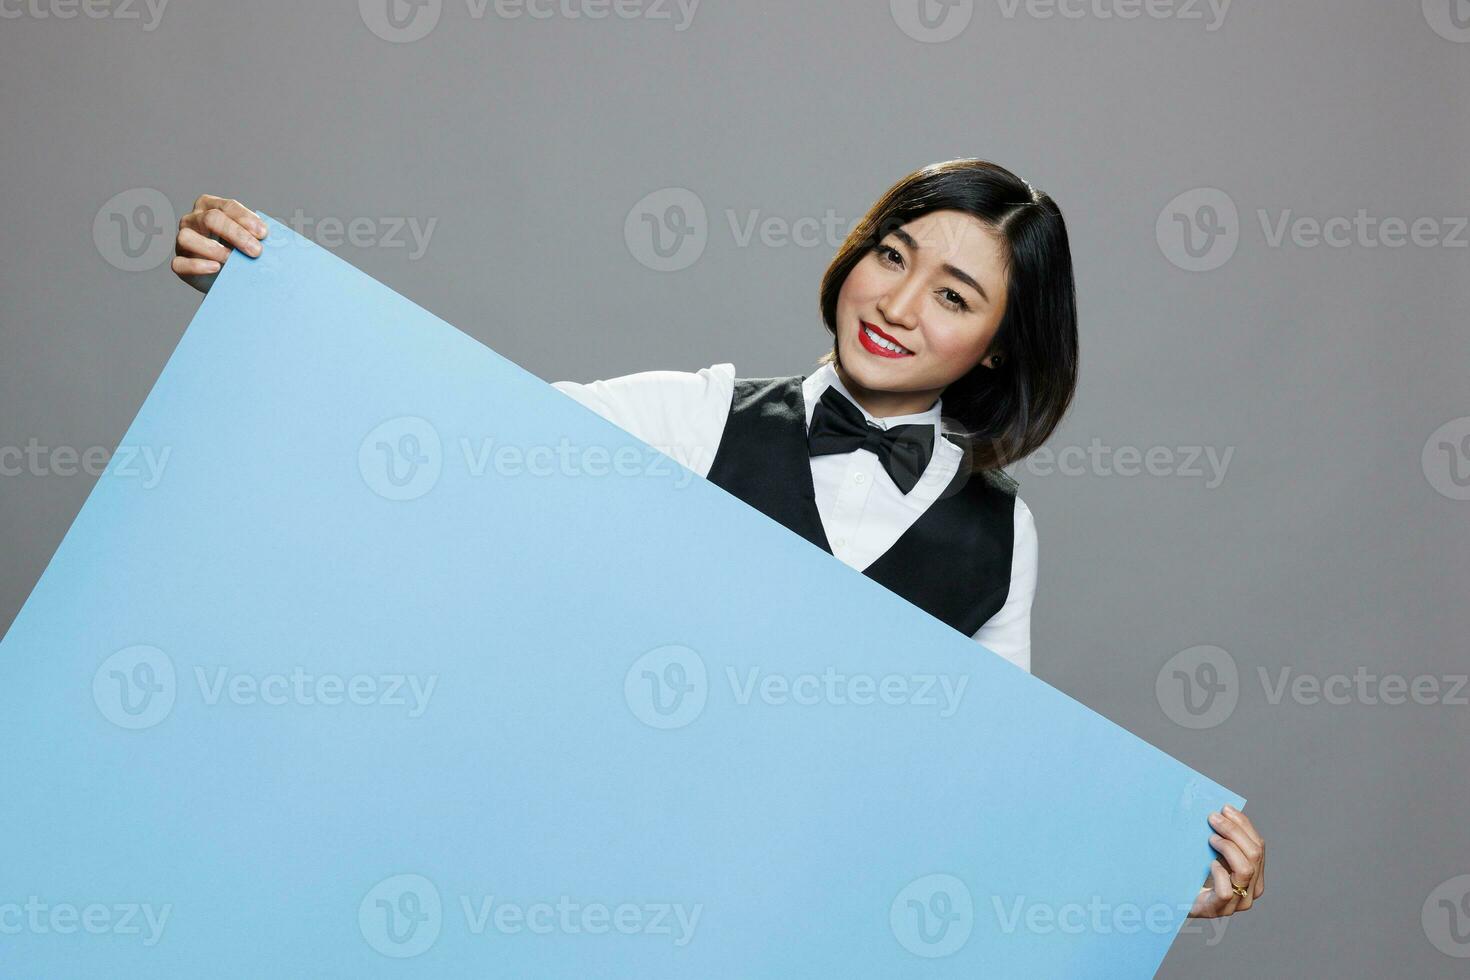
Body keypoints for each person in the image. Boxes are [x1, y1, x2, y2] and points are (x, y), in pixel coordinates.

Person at [170, 158, 1263, 919]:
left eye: (953, 294)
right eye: (891, 256)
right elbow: (466, 434)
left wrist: (1162, 867)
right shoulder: (699, 414)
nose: (896, 302)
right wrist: (272, 301)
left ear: (993, 347)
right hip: (587, 887)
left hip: (800, 923)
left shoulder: (1002, 539)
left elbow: (997, 784)